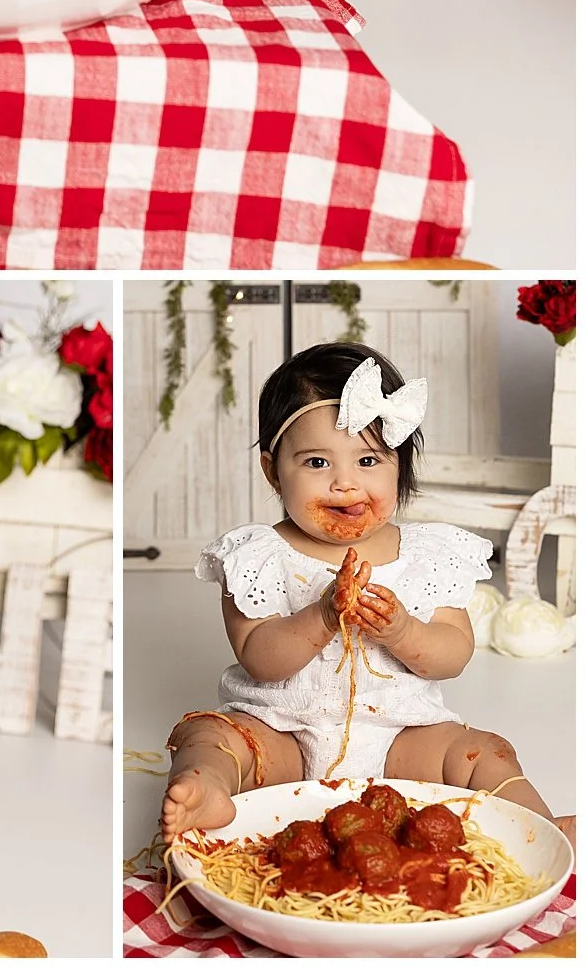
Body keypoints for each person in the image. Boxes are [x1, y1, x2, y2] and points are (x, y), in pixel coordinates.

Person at [160, 342, 568, 842]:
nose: (345, 483)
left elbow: (452, 654)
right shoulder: (257, 556)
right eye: (315, 463)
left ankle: (543, 830)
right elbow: (260, 658)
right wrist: (322, 617)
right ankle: (207, 792)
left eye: (369, 460)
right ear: (273, 471)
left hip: (400, 739)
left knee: (484, 751)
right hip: (282, 732)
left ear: (400, 464)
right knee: (209, 736)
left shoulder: (426, 553)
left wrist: (403, 631)